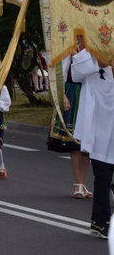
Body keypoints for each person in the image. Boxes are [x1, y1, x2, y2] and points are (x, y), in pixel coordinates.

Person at [71, 47, 114, 240]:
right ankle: (100, 222)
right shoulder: (91, 68)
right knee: (103, 179)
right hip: (100, 136)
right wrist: (96, 60)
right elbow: (75, 72)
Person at [47, 46, 94, 199]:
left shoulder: (92, 50)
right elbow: (59, 74)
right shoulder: (67, 49)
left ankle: (83, 183)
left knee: (86, 145)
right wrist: (62, 95)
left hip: (88, 94)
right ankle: (77, 183)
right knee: (74, 143)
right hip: (72, 93)